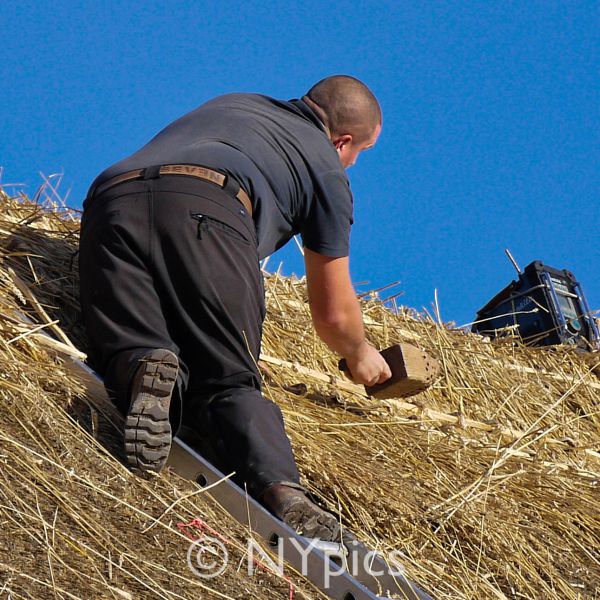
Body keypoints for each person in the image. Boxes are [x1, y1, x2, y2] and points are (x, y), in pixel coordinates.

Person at [79, 75, 391, 541]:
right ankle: (284, 493)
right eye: (358, 153)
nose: (352, 162)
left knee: (127, 332)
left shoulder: (236, 102)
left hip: (111, 198)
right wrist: (361, 354)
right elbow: (333, 315)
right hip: (211, 209)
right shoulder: (327, 168)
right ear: (343, 140)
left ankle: (146, 363)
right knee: (226, 376)